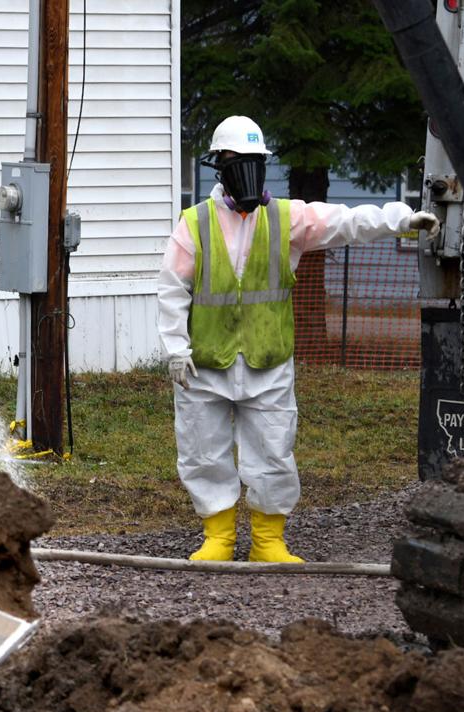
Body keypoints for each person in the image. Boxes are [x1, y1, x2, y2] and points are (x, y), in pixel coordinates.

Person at [158, 115, 439, 563]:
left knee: (273, 450)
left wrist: (401, 220)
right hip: (205, 364)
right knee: (201, 448)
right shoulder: (195, 223)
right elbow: (172, 288)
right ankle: (219, 537)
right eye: (237, 160)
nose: (246, 169)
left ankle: (268, 541)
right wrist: (176, 350)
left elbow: (346, 222)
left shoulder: (286, 218)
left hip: (267, 362)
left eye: (254, 160)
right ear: (219, 164)